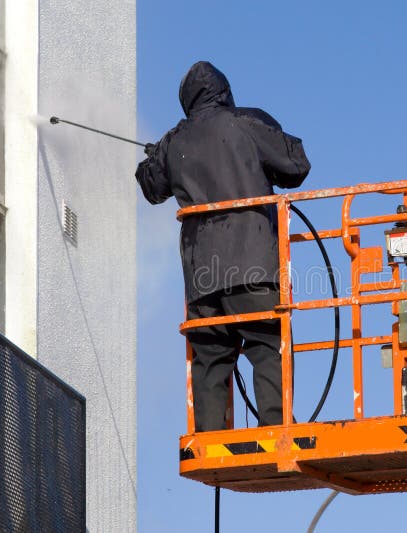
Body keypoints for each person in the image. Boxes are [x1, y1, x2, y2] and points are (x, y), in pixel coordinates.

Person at [135, 61, 310, 431]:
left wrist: (156, 155)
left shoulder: (174, 141)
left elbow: (151, 187)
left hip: (202, 276)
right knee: (267, 343)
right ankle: (276, 427)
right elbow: (296, 164)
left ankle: (211, 436)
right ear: (223, 91)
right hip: (253, 265)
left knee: (211, 354)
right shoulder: (246, 123)